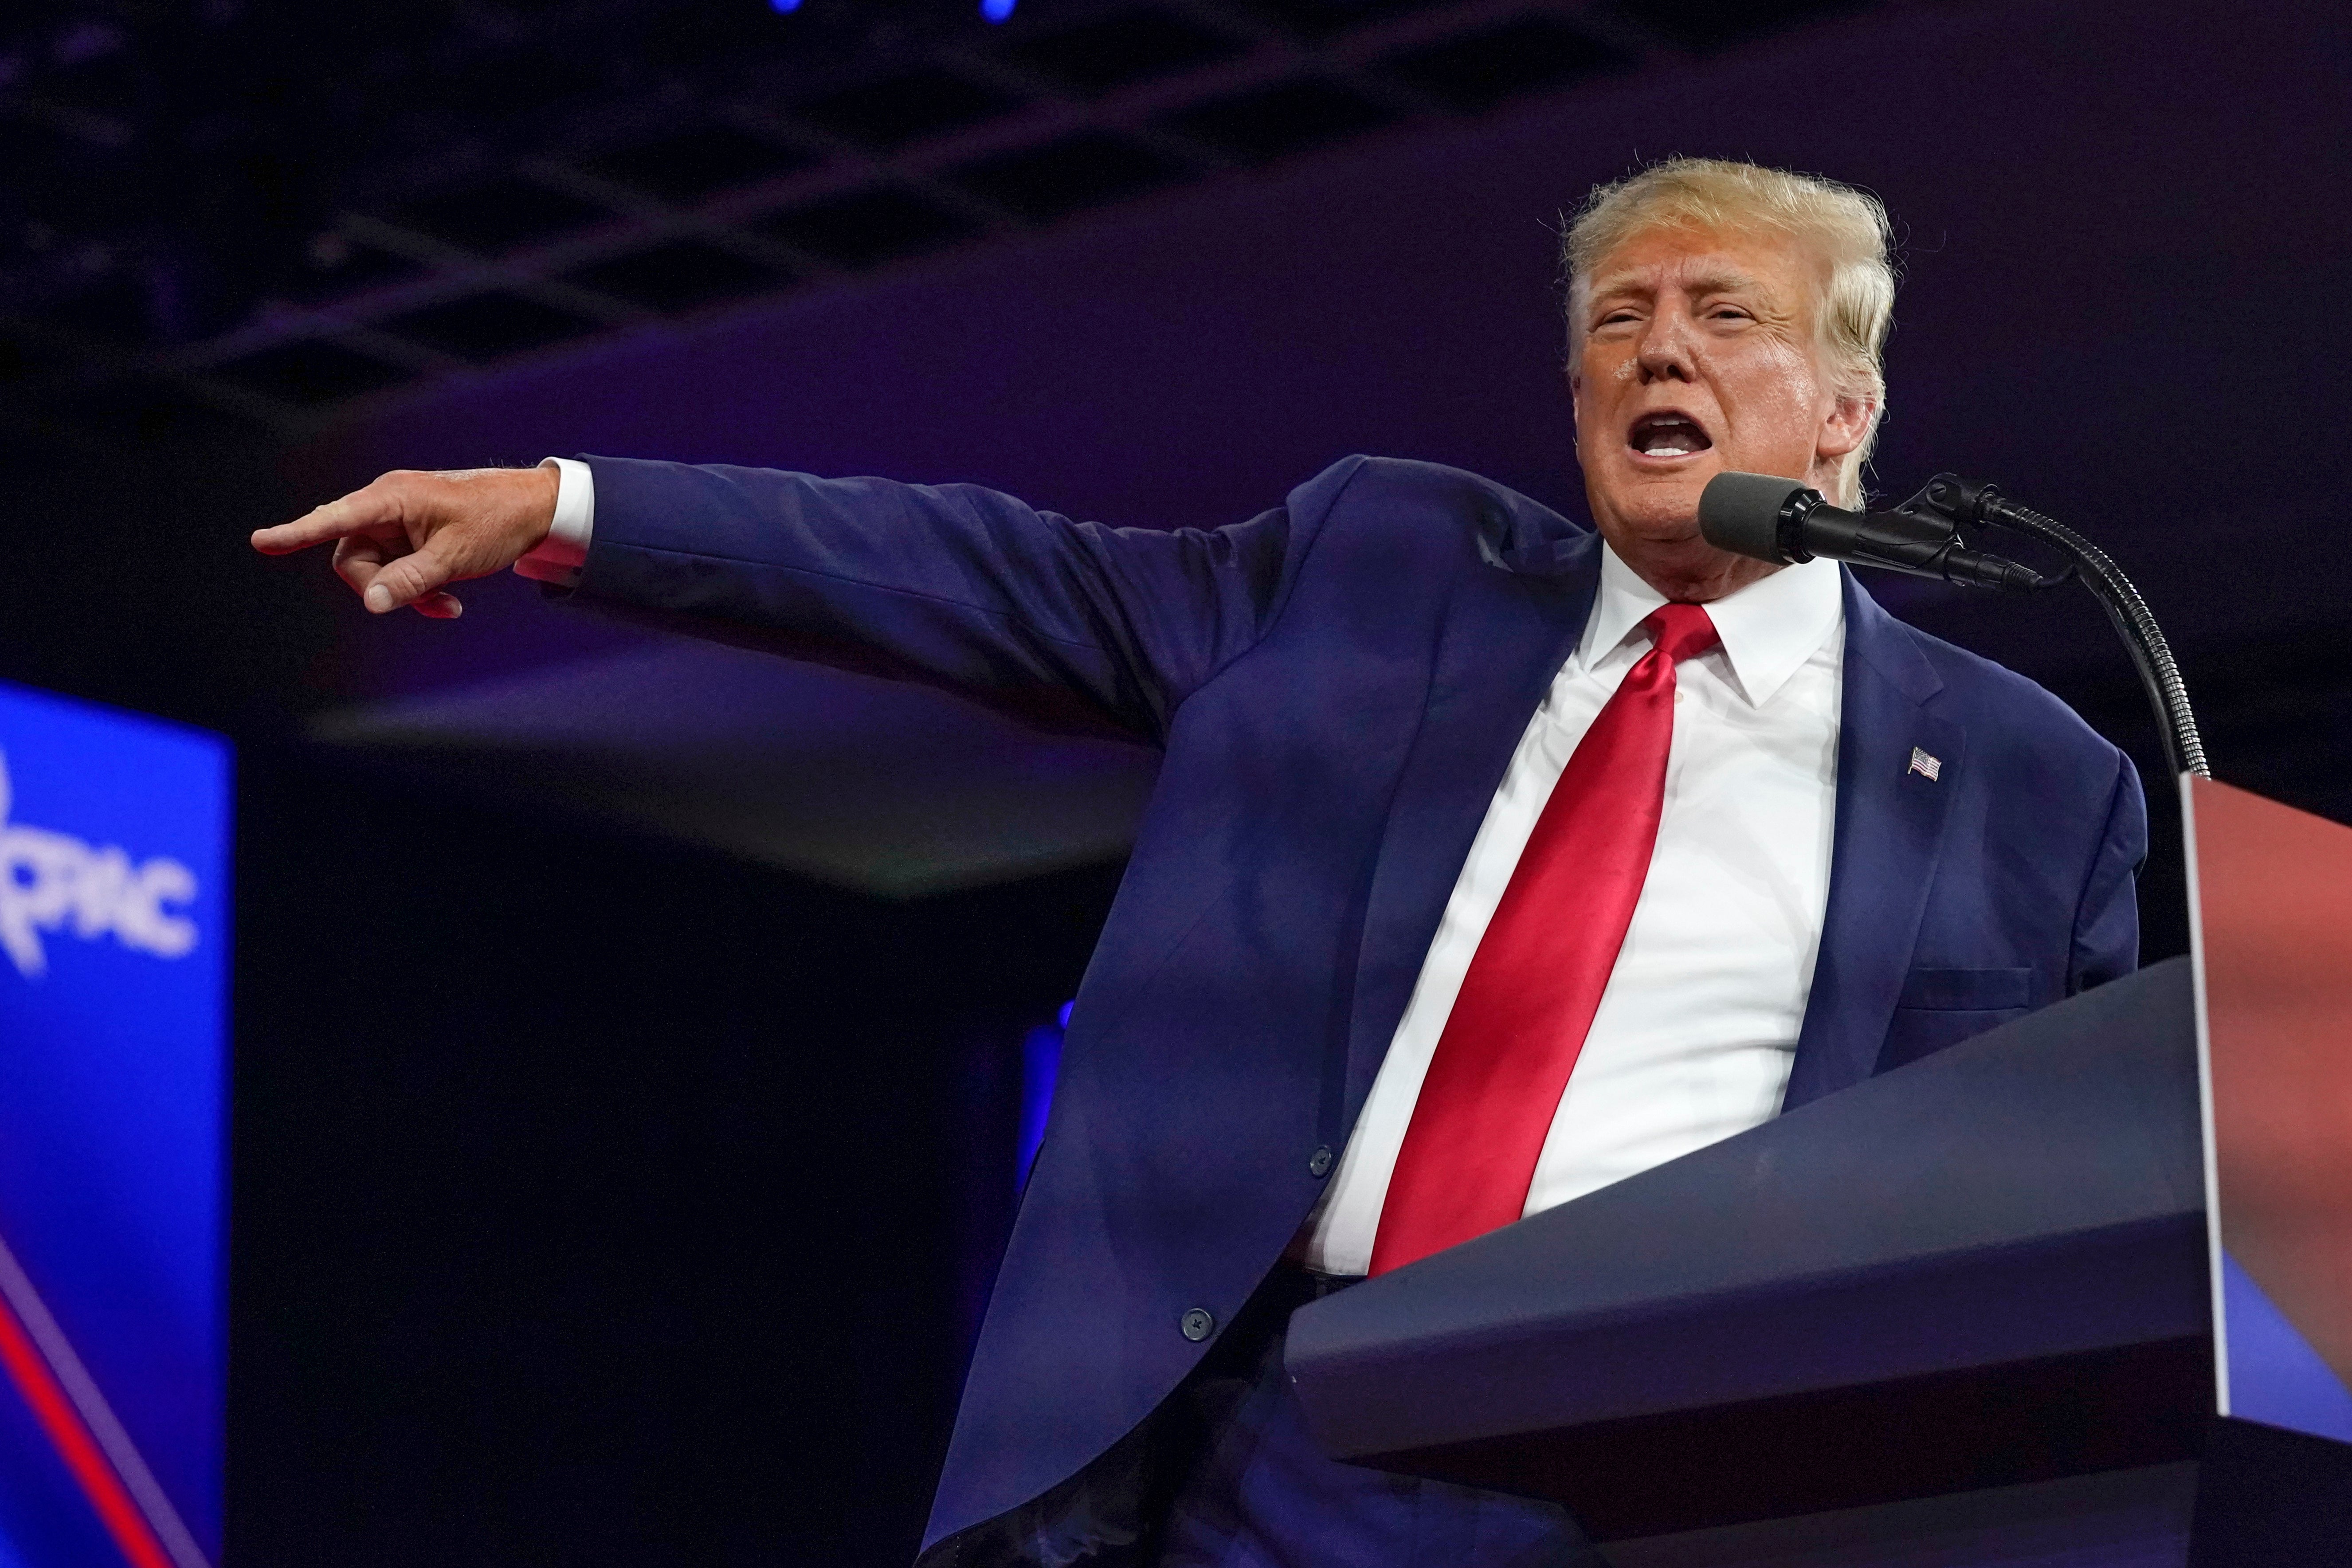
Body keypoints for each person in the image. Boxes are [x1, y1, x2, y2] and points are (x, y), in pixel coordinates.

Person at [252, 158, 2144, 1567]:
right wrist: (569, 508)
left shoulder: (2029, 781)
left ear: (1846, 407)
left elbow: (2067, 1232)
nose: (1656, 347)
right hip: (1292, 1456)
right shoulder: (1381, 570)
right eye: (1616, 321)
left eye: (1723, 314)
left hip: (1690, 1485)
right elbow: (992, 574)